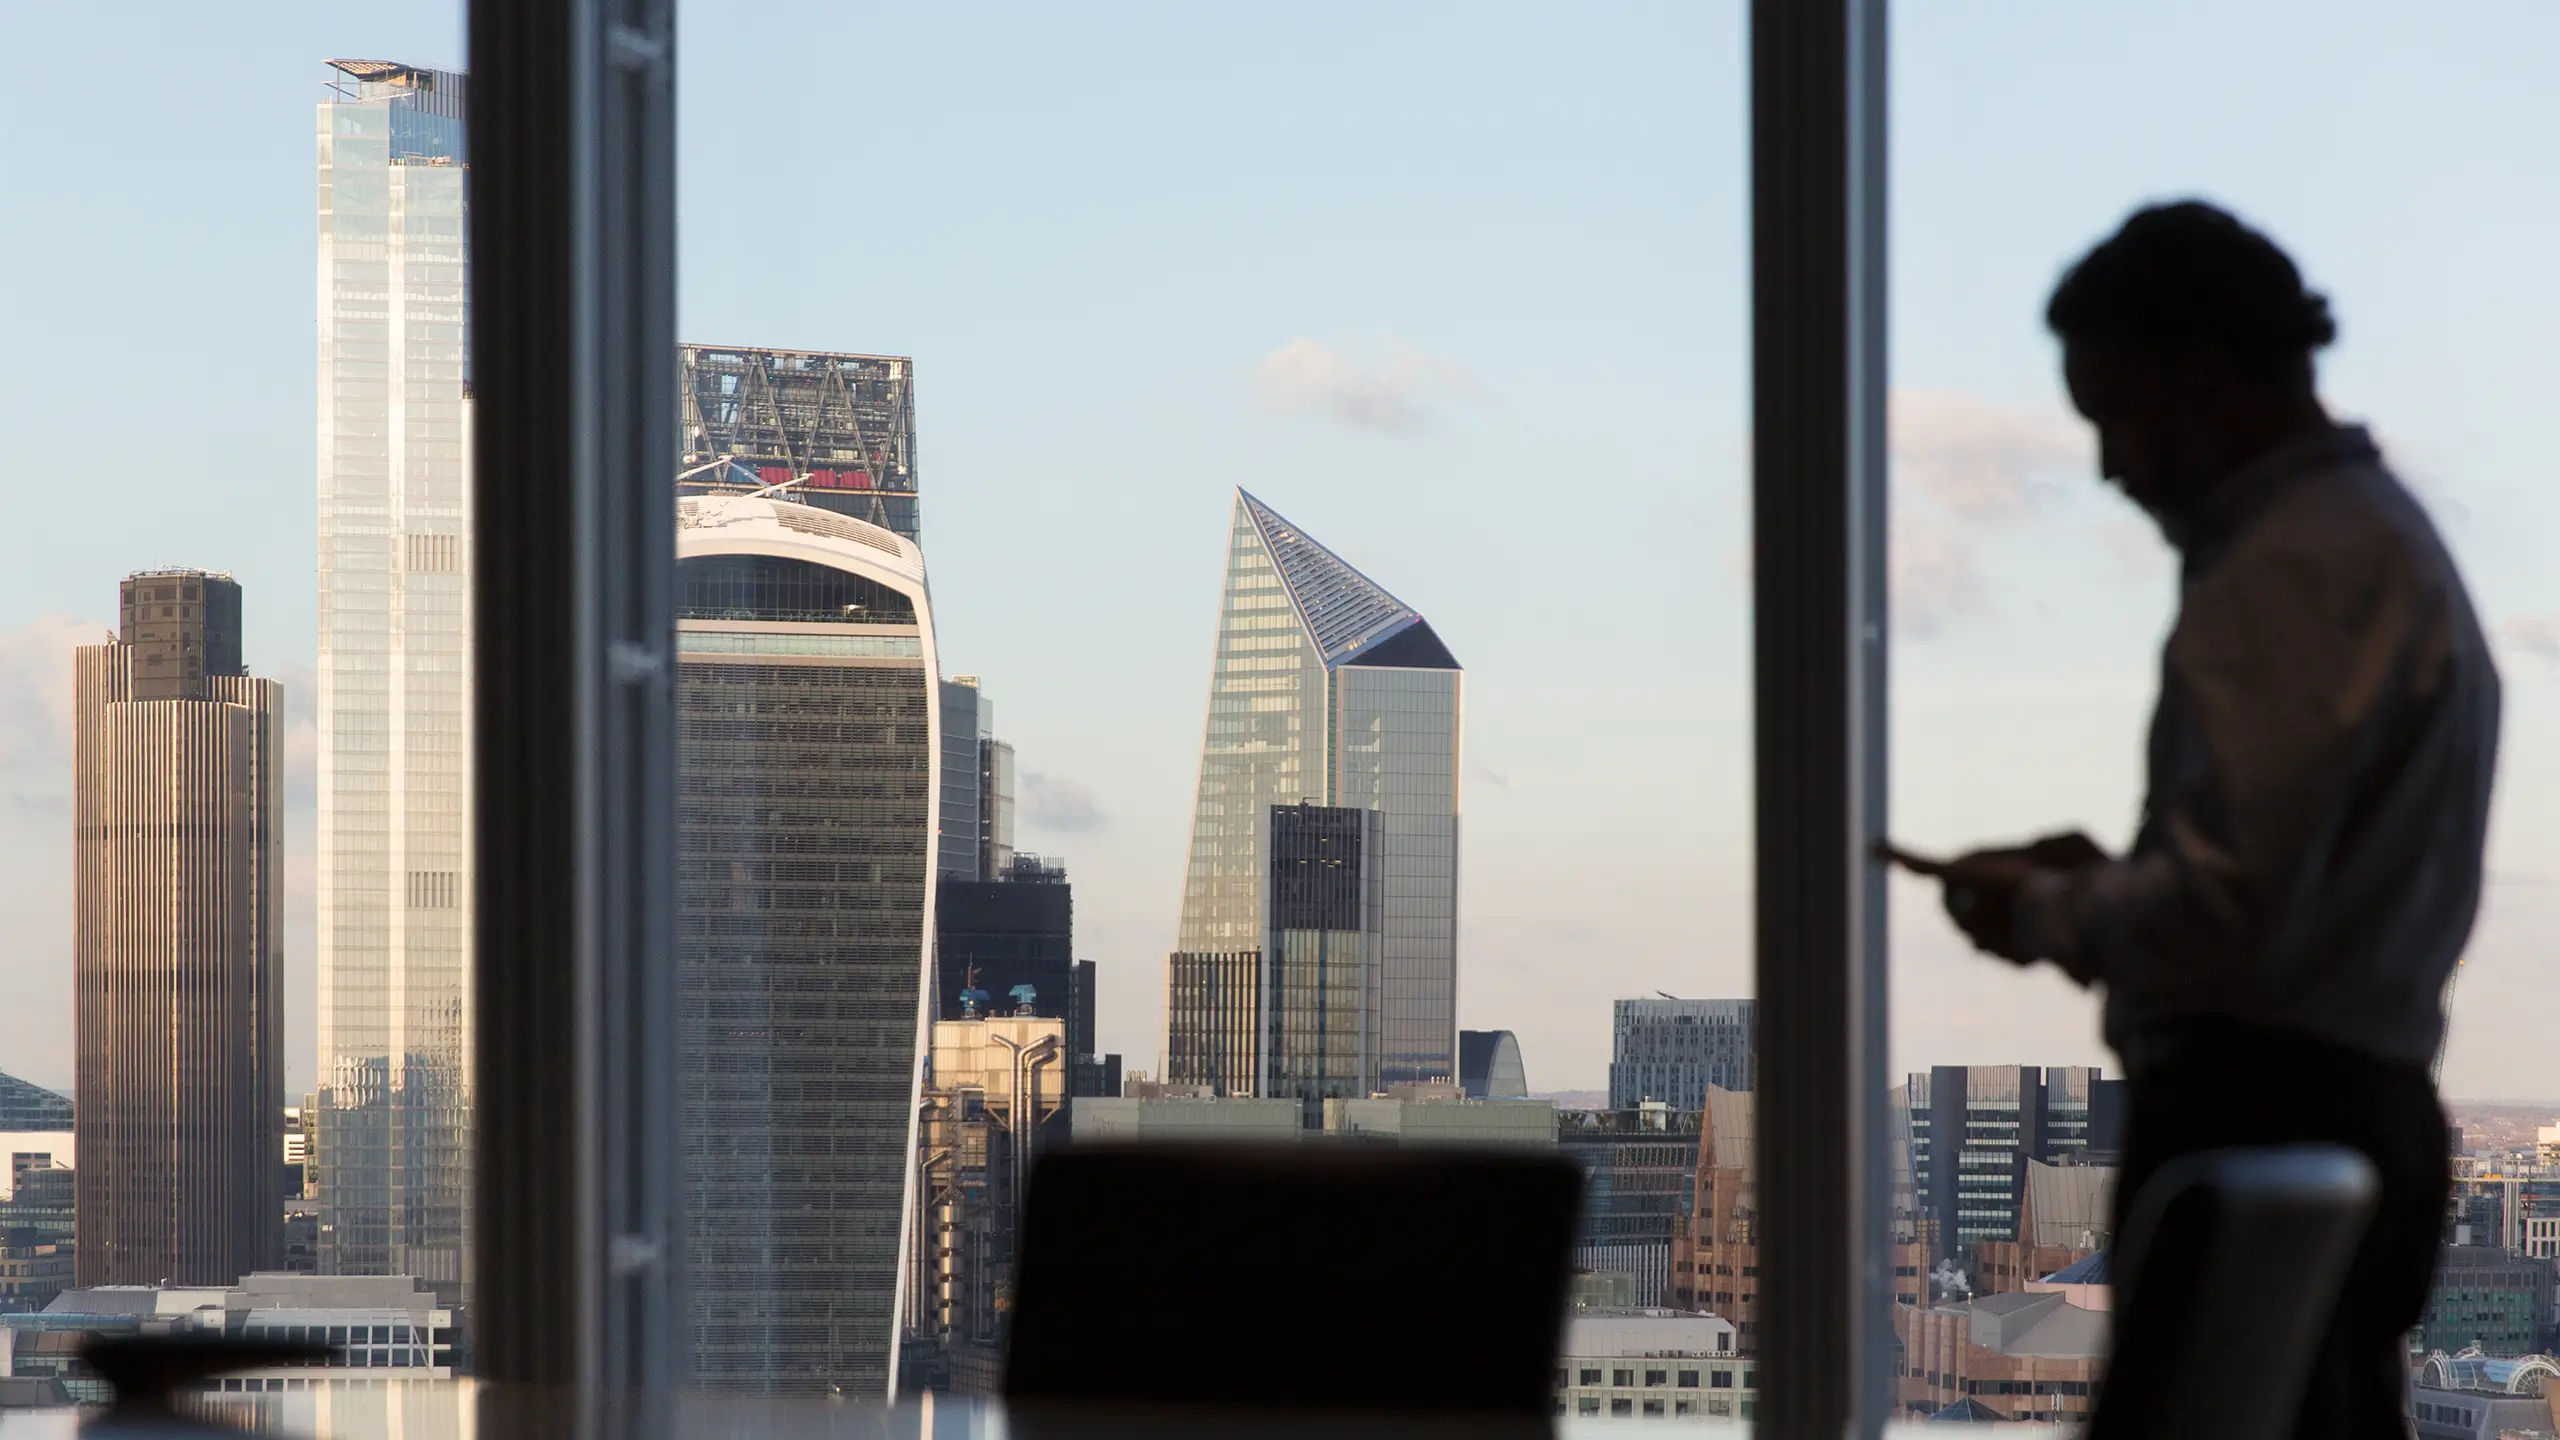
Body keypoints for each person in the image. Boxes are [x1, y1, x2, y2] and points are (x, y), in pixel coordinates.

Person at [1925, 201, 2499, 1438]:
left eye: (2116, 417)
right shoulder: (2379, 543)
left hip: (2252, 1107)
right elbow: (2286, 881)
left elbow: (2227, 908)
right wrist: (2118, 881)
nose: (2108, 467)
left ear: (2200, 379)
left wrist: (2053, 910)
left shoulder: (2292, 571)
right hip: (2350, 1108)